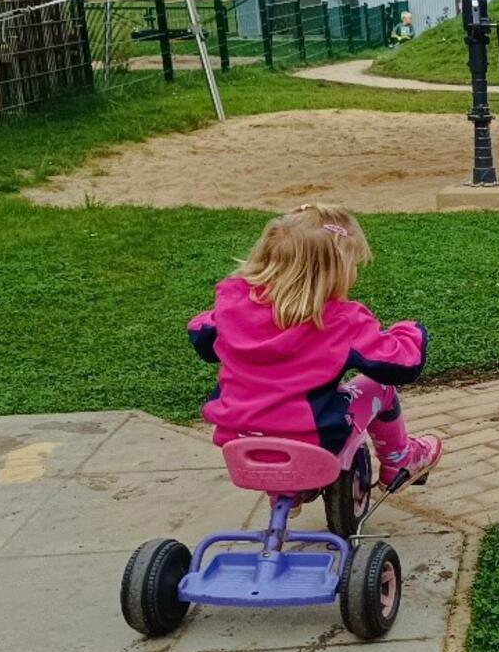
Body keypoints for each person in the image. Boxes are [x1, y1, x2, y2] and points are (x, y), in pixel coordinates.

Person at [187, 203, 442, 488]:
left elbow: (200, 335)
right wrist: (410, 332)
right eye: (352, 266)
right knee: (380, 388)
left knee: (274, 409)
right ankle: (400, 459)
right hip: (315, 440)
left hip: (239, 438)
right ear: (335, 271)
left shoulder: (231, 309)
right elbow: (401, 364)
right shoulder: (340, 320)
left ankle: (287, 493)